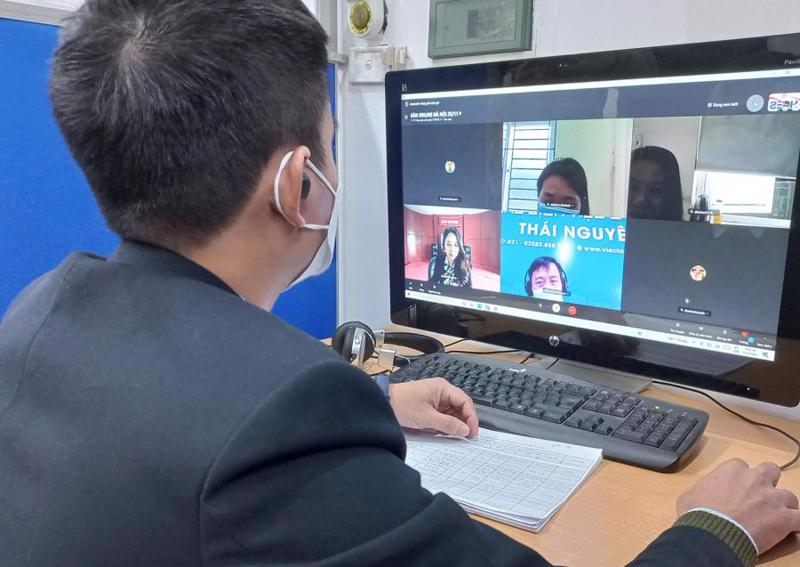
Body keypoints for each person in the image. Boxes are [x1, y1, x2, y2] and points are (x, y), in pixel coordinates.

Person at [0, 2, 797, 566]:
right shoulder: (288, 412)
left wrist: (376, 402)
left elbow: (182, 432)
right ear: (296, 184)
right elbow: (246, 441)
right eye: (333, 144)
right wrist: (715, 527)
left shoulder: (40, 314)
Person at [628, 146, 685, 221]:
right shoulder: (609, 227)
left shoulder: (684, 232)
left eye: (655, 190)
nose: (640, 200)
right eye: (633, 187)